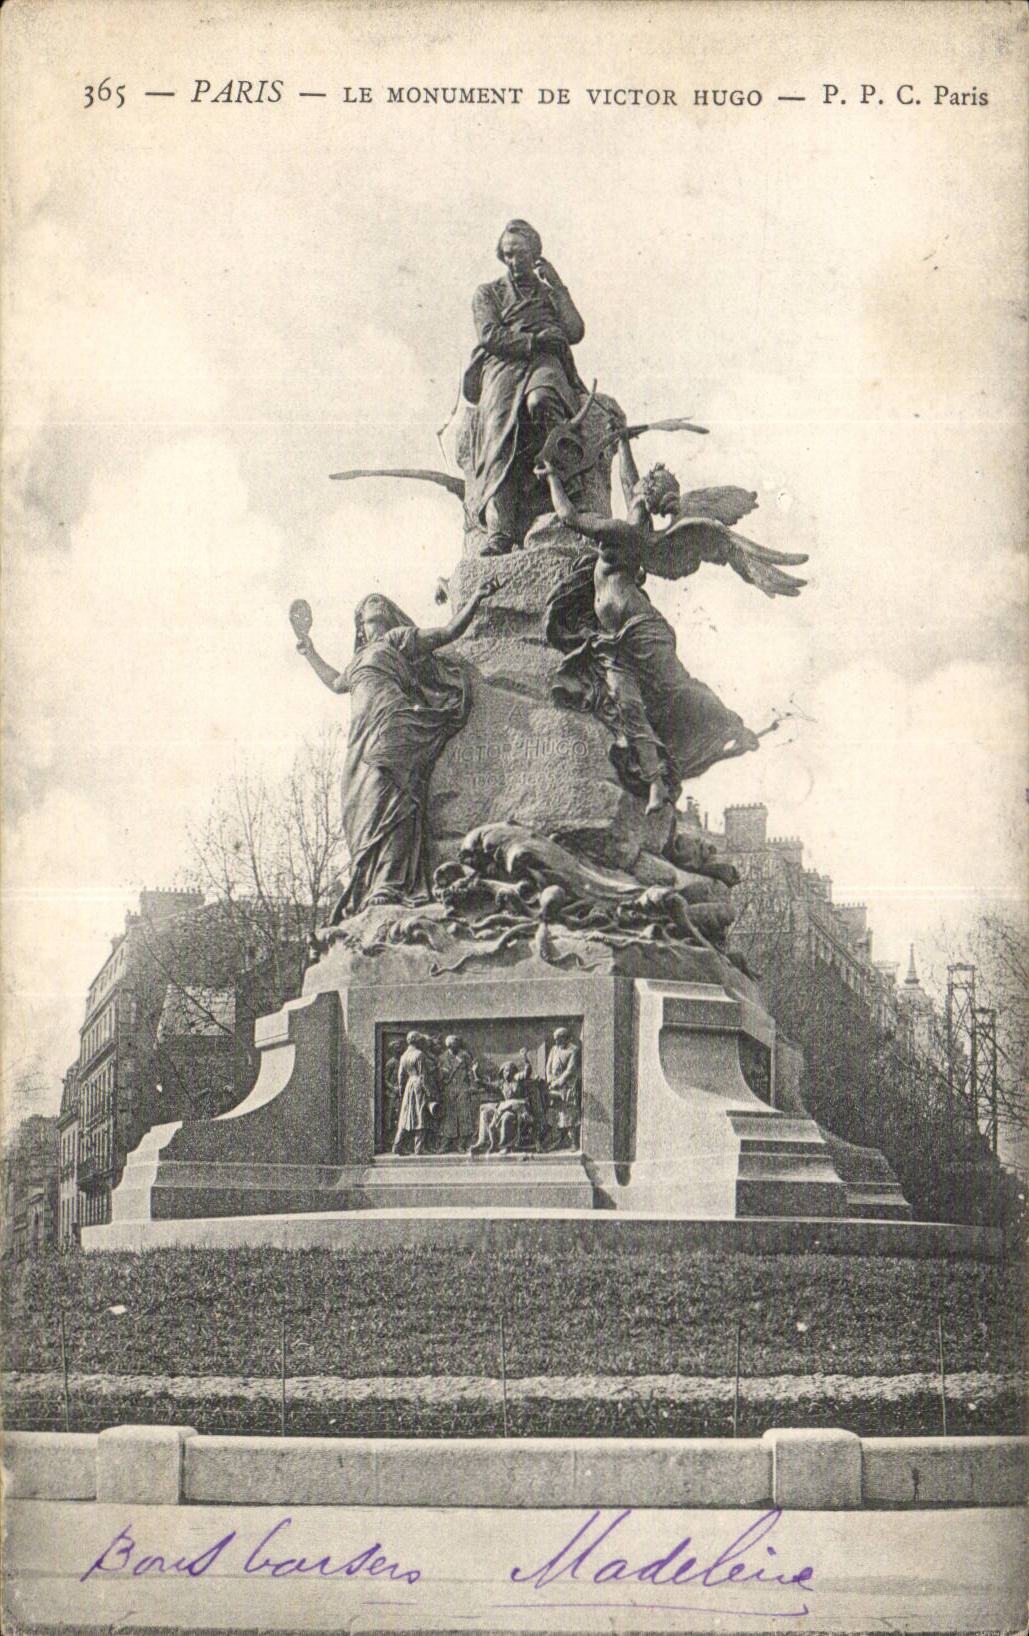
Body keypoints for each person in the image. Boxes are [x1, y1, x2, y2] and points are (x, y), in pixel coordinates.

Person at [539, 429, 764, 814]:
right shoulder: (635, 522)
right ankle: (657, 783)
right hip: (612, 637)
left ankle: (728, 724)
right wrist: (622, 441)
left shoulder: (623, 531)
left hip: (641, 628)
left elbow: (569, 517)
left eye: (640, 486)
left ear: (645, 495)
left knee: (675, 686)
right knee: (628, 706)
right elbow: (630, 481)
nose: (633, 484)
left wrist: (551, 477)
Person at [296, 581, 498, 916]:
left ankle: (389, 883)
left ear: (388, 617)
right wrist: (310, 651)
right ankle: (371, 882)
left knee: (390, 797)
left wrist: (476, 597)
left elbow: (447, 632)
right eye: (362, 616)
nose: (367, 617)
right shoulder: (359, 658)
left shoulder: (396, 640)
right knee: (357, 804)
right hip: (361, 736)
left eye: (375, 609)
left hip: (393, 725)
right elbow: (335, 682)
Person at [463, 219, 587, 556]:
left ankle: (566, 487)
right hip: (504, 363)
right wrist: (533, 339)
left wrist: (559, 286)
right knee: (498, 428)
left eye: (519, 254)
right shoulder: (488, 292)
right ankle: (500, 529)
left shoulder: (549, 294)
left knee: (541, 401)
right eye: (507, 255)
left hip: (545, 361)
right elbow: (490, 335)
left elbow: (575, 331)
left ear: (535, 255)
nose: (512, 261)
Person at [392, 1031, 437, 1156]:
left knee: (405, 1117)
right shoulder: (419, 1054)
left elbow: (400, 1076)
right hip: (418, 1086)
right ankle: (419, 1149)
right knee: (420, 1115)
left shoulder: (403, 1056)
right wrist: (429, 1092)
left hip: (408, 1086)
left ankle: (397, 1145)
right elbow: (423, 1076)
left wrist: (401, 1091)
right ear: (417, 1041)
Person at [435, 1034, 478, 1152]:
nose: (454, 1046)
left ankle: (461, 1144)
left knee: (464, 1117)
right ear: (448, 1045)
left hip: (463, 1089)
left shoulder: (464, 1056)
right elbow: (438, 1076)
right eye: (452, 1045)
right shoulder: (442, 1058)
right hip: (448, 1090)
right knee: (448, 1118)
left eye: (456, 1044)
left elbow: (471, 1072)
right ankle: (445, 1144)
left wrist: (472, 1087)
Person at [545, 1027, 581, 1151]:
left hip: (567, 1087)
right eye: (555, 1040)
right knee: (556, 1113)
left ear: (565, 1038)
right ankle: (560, 1139)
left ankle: (573, 1141)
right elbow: (548, 1067)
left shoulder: (573, 1050)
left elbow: (570, 1070)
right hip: (554, 1085)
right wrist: (550, 1080)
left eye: (559, 1039)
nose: (556, 1042)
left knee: (569, 1114)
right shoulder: (554, 1050)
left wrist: (559, 1082)